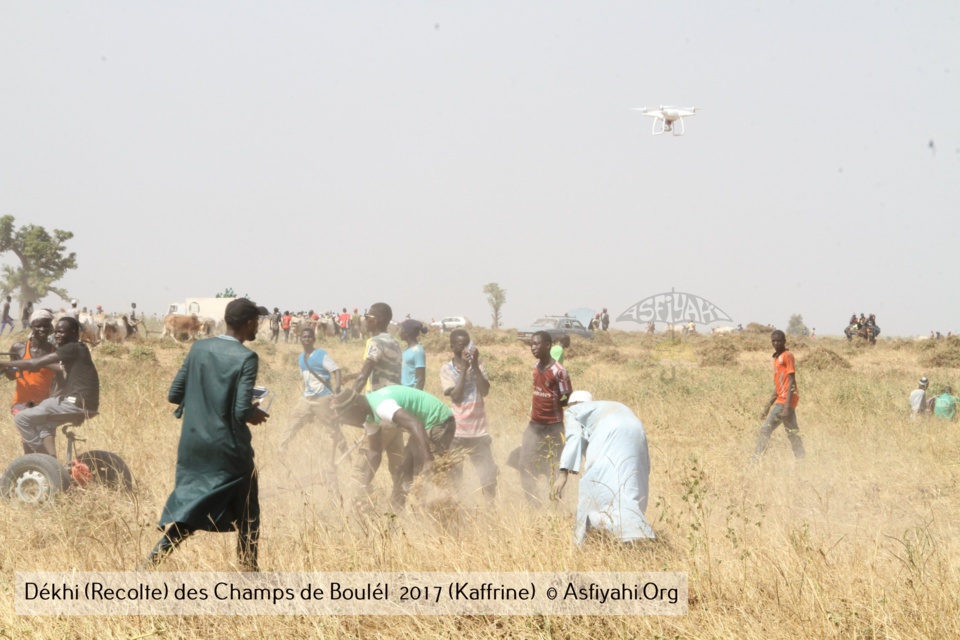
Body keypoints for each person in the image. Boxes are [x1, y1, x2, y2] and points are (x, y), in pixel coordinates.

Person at [143, 298, 269, 571]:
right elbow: (239, 412)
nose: (257, 326)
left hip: (193, 445)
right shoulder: (247, 357)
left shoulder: (199, 348)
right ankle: (249, 575)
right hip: (228, 449)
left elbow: (175, 393)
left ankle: (151, 563)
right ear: (249, 323)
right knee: (249, 514)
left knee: (192, 509)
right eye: (256, 321)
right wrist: (253, 412)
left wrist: (206, 399)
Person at [551, 391, 656, 544]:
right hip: (636, 431)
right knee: (629, 488)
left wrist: (563, 474)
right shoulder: (607, 407)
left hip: (613, 435)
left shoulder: (575, 411)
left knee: (593, 488)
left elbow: (574, 438)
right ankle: (636, 537)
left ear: (572, 404)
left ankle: (581, 543)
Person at [333, 385, 453, 509]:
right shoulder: (369, 416)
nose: (351, 422)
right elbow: (375, 453)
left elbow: (415, 424)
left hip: (438, 421)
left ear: (355, 407)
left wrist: (428, 458)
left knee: (425, 474)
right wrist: (365, 486)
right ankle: (394, 517)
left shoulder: (382, 407)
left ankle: (444, 511)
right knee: (402, 474)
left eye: (348, 417)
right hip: (423, 426)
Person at [0, 316, 99, 459]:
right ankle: (51, 460)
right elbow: (51, 366)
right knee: (45, 415)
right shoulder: (79, 349)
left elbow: (34, 364)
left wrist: (5, 364)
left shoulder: (71, 348)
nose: (57, 335)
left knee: (22, 418)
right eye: (56, 332)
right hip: (86, 404)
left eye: (62, 332)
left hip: (75, 403)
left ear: (73, 332)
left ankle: (43, 458)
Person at [350, 303, 405, 506]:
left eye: (367, 316)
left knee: (362, 467)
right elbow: (384, 372)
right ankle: (399, 508)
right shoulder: (394, 342)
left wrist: (347, 401)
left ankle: (359, 507)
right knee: (398, 469)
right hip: (396, 414)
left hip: (379, 412)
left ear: (377, 320)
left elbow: (365, 374)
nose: (364, 320)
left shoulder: (374, 341)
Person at [278, 326, 344, 495]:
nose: (306, 339)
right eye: (304, 336)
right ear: (300, 339)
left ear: (314, 339)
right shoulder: (301, 358)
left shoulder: (320, 354)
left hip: (322, 398)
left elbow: (336, 370)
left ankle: (346, 455)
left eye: (309, 337)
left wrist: (336, 390)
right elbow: (305, 378)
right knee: (292, 423)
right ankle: (281, 452)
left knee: (333, 430)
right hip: (307, 398)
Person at [441, 329, 497, 500]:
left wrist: (474, 366)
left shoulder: (479, 365)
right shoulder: (447, 369)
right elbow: (456, 396)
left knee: (488, 477)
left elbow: (484, 390)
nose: (465, 348)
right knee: (455, 477)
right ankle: (457, 509)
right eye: (461, 345)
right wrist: (465, 369)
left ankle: (490, 509)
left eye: (467, 343)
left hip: (479, 431)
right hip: (457, 432)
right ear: (452, 347)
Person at [519, 331, 572, 505]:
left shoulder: (559, 371)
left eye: (537, 344)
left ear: (548, 345)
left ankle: (556, 507)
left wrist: (554, 402)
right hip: (534, 426)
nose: (533, 348)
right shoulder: (535, 367)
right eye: (531, 344)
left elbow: (568, 397)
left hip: (553, 427)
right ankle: (534, 505)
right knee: (524, 464)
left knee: (555, 468)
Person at [4, 310, 63, 454]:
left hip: (45, 404)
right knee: (30, 442)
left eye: (45, 326)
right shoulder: (18, 348)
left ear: (51, 328)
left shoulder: (55, 352)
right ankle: (40, 463)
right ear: (31, 327)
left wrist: (51, 403)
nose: (42, 329)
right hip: (22, 402)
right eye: (38, 326)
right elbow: (11, 376)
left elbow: (60, 381)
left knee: (46, 436)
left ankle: (47, 464)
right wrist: (7, 368)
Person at [753, 330, 805, 460]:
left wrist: (786, 407)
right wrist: (768, 405)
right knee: (793, 434)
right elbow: (779, 386)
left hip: (785, 400)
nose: (776, 343)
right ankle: (802, 459)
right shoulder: (777, 358)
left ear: (784, 341)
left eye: (779, 341)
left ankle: (755, 460)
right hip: (783, 400)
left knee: (765, 429)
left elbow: (792, 380)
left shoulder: (787, 356)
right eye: (773, 341)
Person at [399, 319, 427, 390]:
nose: (399, 332)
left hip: (411, 392)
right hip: (403, 391)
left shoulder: (418, 351)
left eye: (401, 329)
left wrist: (415, 397)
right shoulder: (407, 349)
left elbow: (420, 379)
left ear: (407, 333)